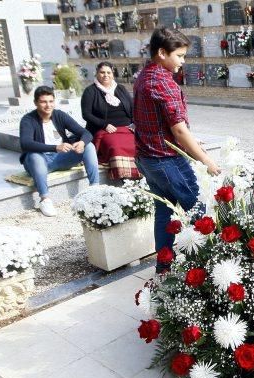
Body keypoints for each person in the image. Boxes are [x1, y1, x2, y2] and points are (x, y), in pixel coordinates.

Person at [133, 27, 220, 272]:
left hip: (148, 158)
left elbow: (160, 124)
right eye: (180, 55)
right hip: (167, 159)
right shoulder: (163, 83)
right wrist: (206, 160)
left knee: (164, 214)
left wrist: (189, 142)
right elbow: (179, 130)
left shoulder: (144, 75)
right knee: (200, 214)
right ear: (162, 52)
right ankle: (209, 270)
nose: (183, 61)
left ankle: (164, 268)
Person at [19, 86, 99, 217]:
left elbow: (86, 133)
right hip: (40, 161)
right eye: (43, 102)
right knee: (34, 156)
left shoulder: (59, 115)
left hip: (61, 158)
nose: (48, 105)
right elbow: (25, 143)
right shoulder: (28, 119)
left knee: (89, 146)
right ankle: (45, 199)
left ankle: (95, 189)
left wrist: (82, 143)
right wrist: (55, 147)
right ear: (35, 103)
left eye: (51, 101)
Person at [81, 61, 140, 180]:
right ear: (97, 74)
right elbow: (86, 114)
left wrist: (134, 122)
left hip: (127, 129)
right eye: (102, 72)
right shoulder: (90, 91)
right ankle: (124, 178)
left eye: (109, 72)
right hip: (105, 130)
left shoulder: (121, 89)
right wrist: (104, 124)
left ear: (113, 74)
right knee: (116, 147)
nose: (105, 75)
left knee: (139, 145)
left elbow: (133, 107)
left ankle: (141, 177)